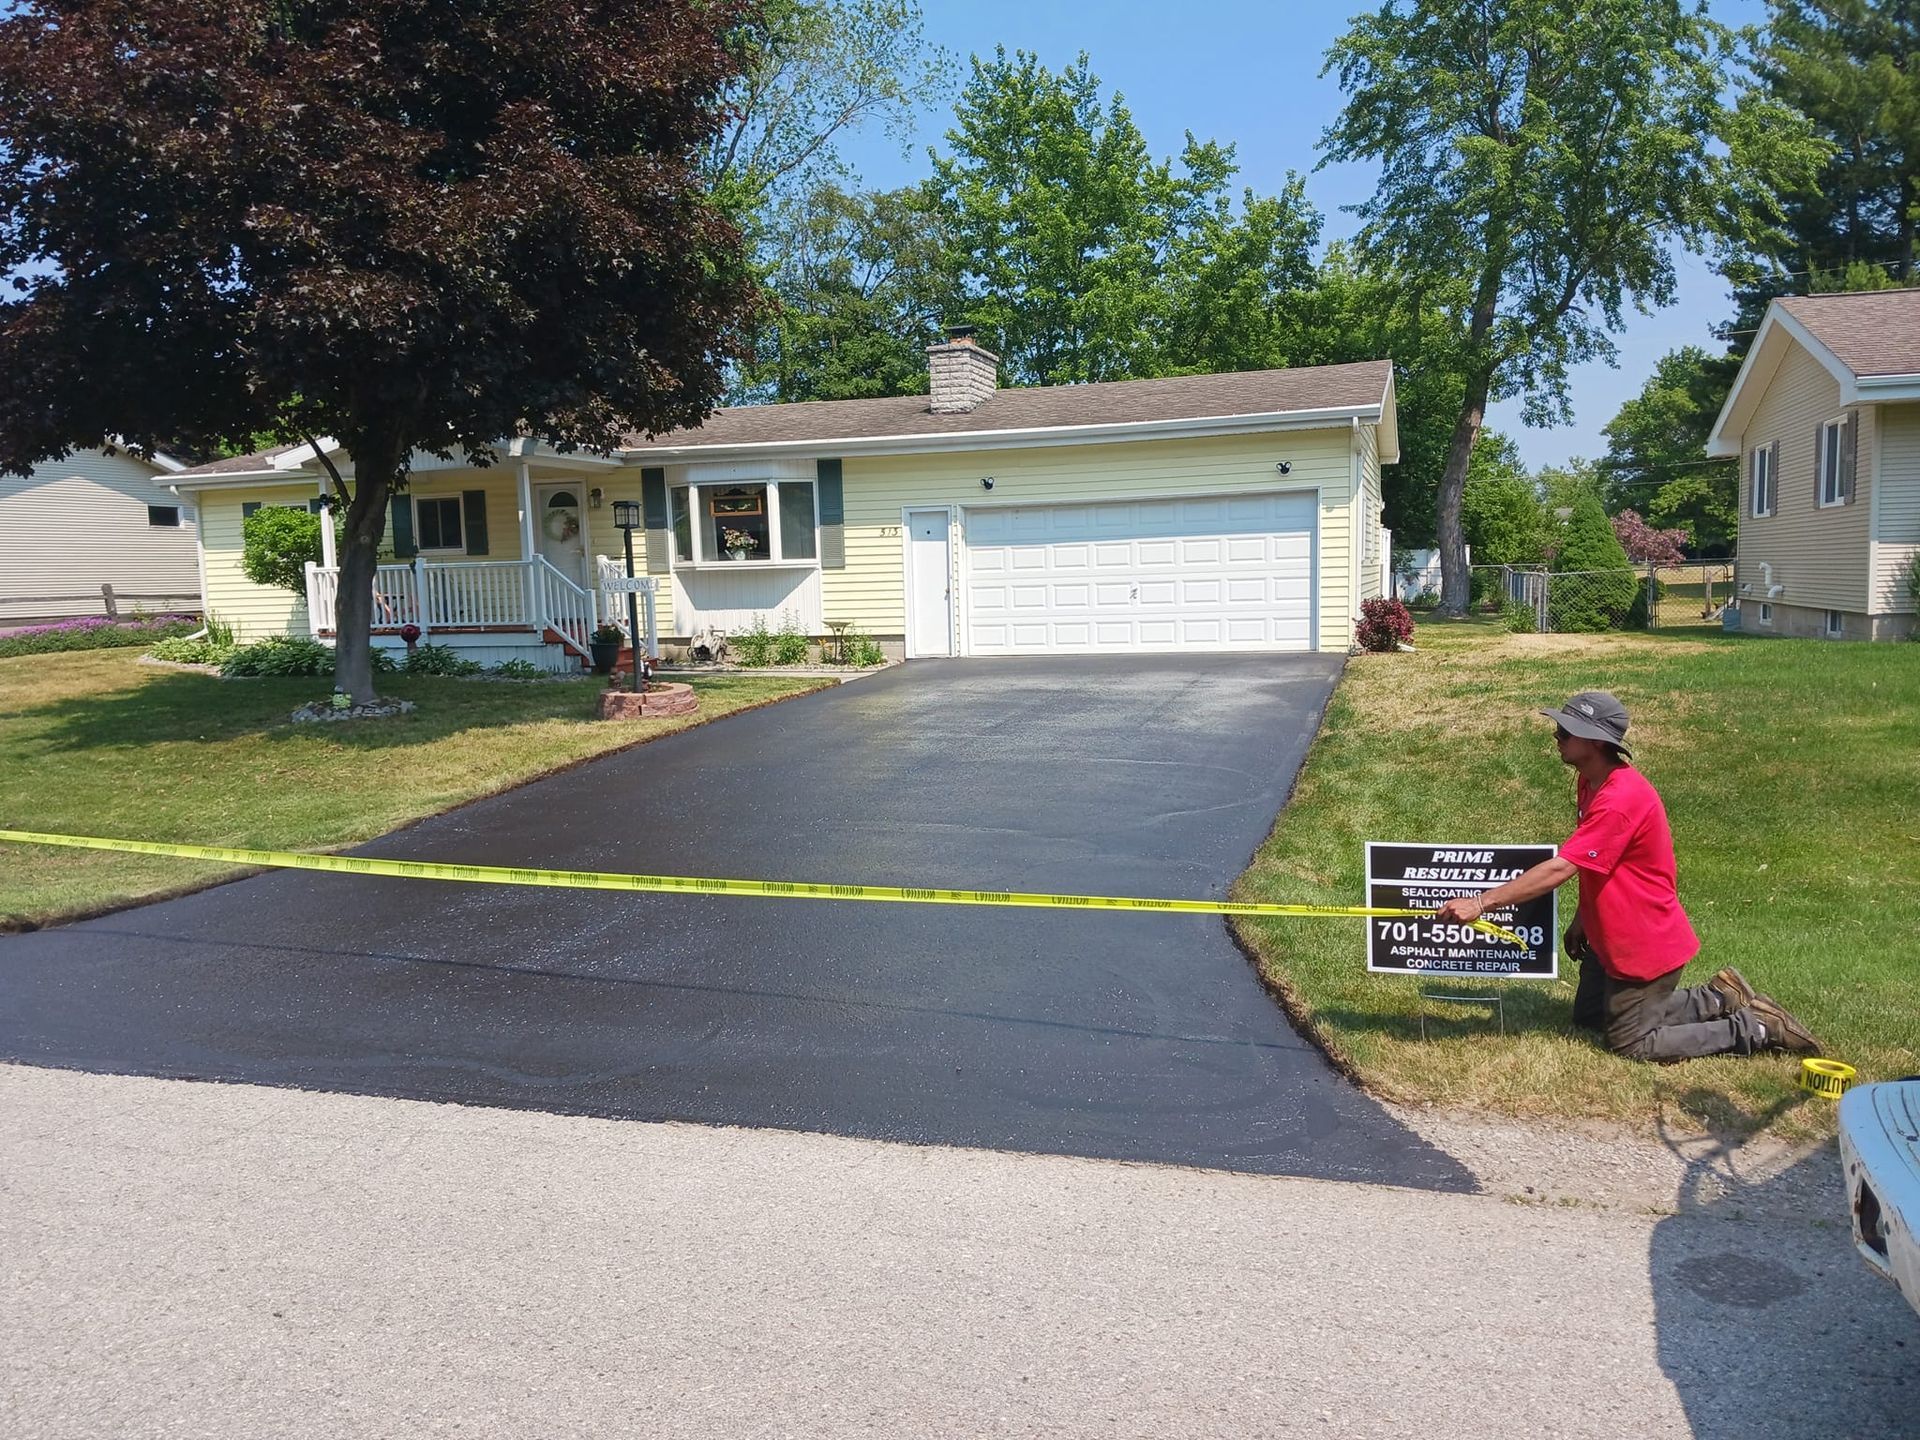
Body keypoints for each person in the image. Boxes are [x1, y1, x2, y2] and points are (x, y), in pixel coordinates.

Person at [1435, 691, 1818, 1062]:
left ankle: (1756, 1027)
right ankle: (1718, 997)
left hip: (1643, 938)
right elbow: (1597, 861)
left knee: (1630, 1041)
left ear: (1596, 742)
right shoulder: (1590, 781)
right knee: (1589, 1016)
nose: (1557, 736)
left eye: (1566, 731)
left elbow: (1562, 867)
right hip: (1609, 935)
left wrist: (1481, 903)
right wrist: (1583, 918)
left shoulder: (1621, 798)